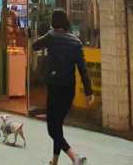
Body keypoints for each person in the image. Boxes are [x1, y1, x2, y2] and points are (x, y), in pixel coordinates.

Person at [33, 9, 93, 165]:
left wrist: (47, 33)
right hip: (69, 89)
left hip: (55, 88)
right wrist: (89, 92)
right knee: (57, 125)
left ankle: (74, 157)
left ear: (53, 22)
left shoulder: (52, 36)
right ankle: (55, 160)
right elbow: (83, 69)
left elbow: (34, 45)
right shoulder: (76, 41)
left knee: (52, 129)